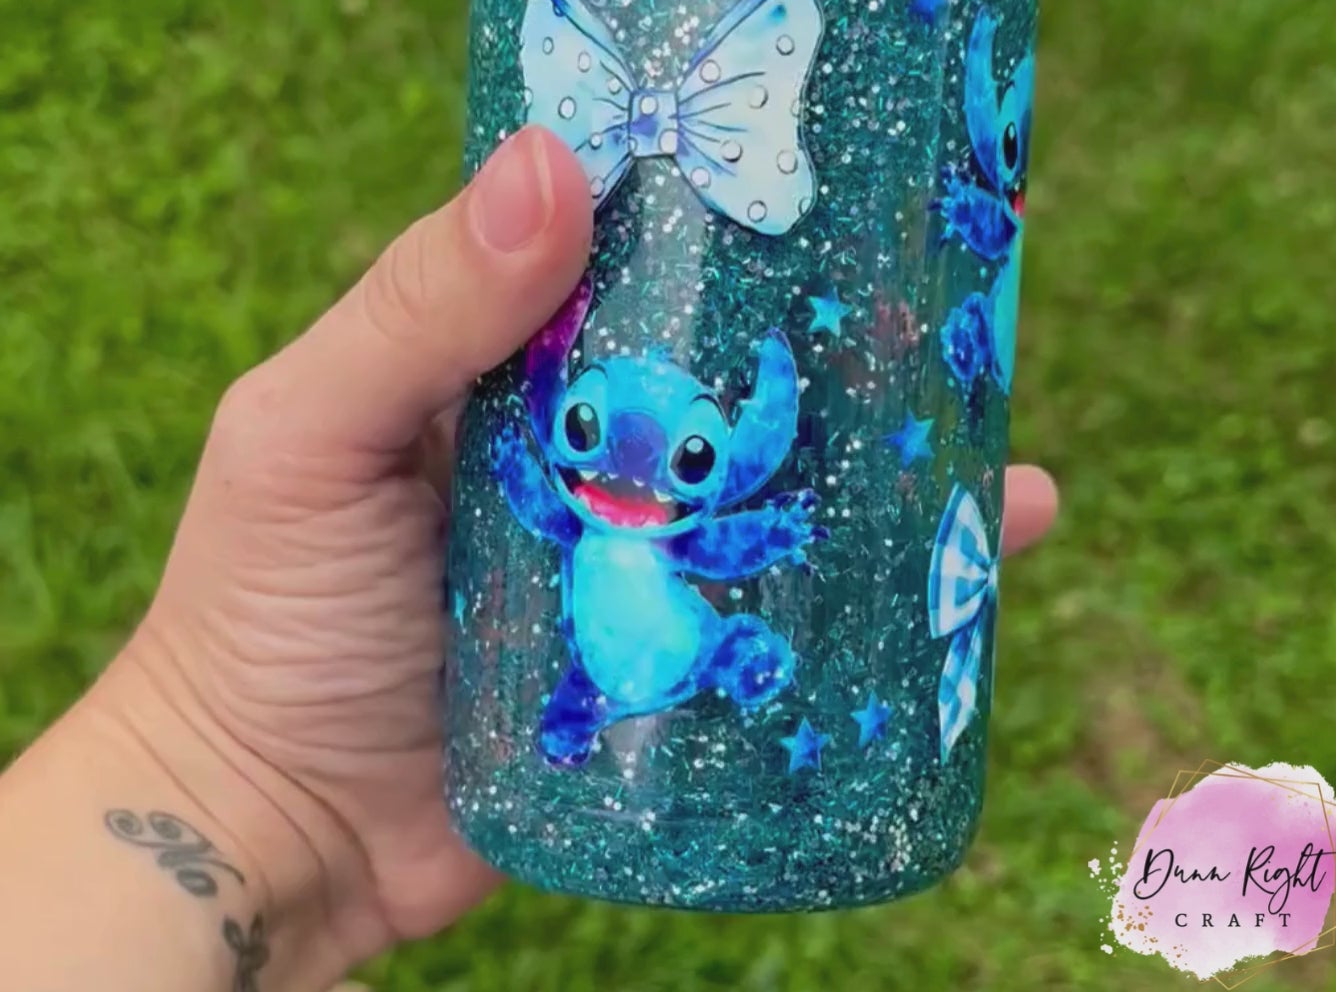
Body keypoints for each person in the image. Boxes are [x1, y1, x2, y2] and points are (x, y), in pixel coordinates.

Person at [0, 128, 1058, 990]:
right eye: (592, 434)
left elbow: (730, 529)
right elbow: (537, 498)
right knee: (595, 679)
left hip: (689, 676)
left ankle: (728, 656)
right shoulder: (571, 501)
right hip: (540, 710)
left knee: (834, 563)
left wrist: (211, 764)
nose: (634, 478)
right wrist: (228, 758)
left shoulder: (691, 521)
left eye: (689, 460)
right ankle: (589, 707)